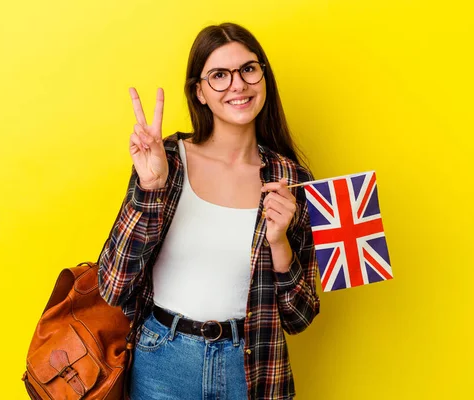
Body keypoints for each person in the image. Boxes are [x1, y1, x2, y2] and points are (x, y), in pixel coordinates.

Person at [98, 22, 320, 400]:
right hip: (162, 362)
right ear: (199, 92)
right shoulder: (167, 160)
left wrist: (279, 243)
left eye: (248, 69)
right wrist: (151, 188)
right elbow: (113, 284)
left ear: (263, 77)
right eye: (219, 75)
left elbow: (300, 315)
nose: (238, 84)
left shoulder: (290, 178)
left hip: (250, 369)